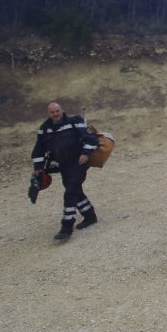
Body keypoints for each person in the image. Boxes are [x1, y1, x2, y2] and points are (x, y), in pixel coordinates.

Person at [31, 101, 99, 240]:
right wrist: (38, 168)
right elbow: (39, 149)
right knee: (73, 190)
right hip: (63, 165)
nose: (55, 114)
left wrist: (85, 153)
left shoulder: (75, 121)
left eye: (57, 111)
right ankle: (90, 215)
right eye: (52, 112)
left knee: (70, 192)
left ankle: (67, 226)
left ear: (62, 110)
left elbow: (91, 139)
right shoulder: (44, 129)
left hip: (79, 162)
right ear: (48, 113)